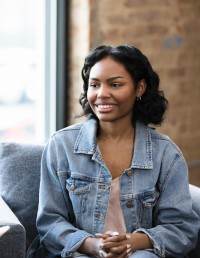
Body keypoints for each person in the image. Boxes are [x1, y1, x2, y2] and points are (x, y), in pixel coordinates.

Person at [36, 44, 200, 258]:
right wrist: (95, 246)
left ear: (139, 88)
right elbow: (50, 222)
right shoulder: (60, 146)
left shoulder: (166, 154)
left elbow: (181, 229)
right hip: (79, 253)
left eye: (114, 84)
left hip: (141, 253)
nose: (102, 94)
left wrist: (133, 242)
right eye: (94, 85)